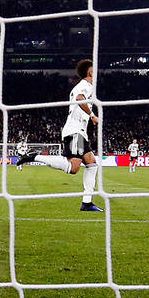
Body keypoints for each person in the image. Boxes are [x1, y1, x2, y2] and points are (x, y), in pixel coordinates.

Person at [15, 59, 104, 212]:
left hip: (79, 132)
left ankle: (87, 202)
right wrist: (92, 116)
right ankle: (34, 156)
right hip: (75, 131)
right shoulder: (85, 85)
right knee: (73, 168)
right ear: (90, 72)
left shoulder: (83, 86)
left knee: (92, 164)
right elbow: (80, 99)